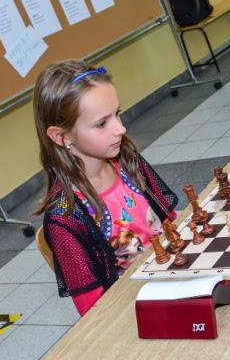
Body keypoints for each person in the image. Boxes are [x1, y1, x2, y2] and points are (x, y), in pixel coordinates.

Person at [34, 61, 178, 316]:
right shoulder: (66, 217)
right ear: (61, 136)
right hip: (136, 311)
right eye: (102, 123)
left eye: (117, 114)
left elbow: (169, 221)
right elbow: (94, 310)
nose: (121, 129)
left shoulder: (127, 160)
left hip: (177, 275)